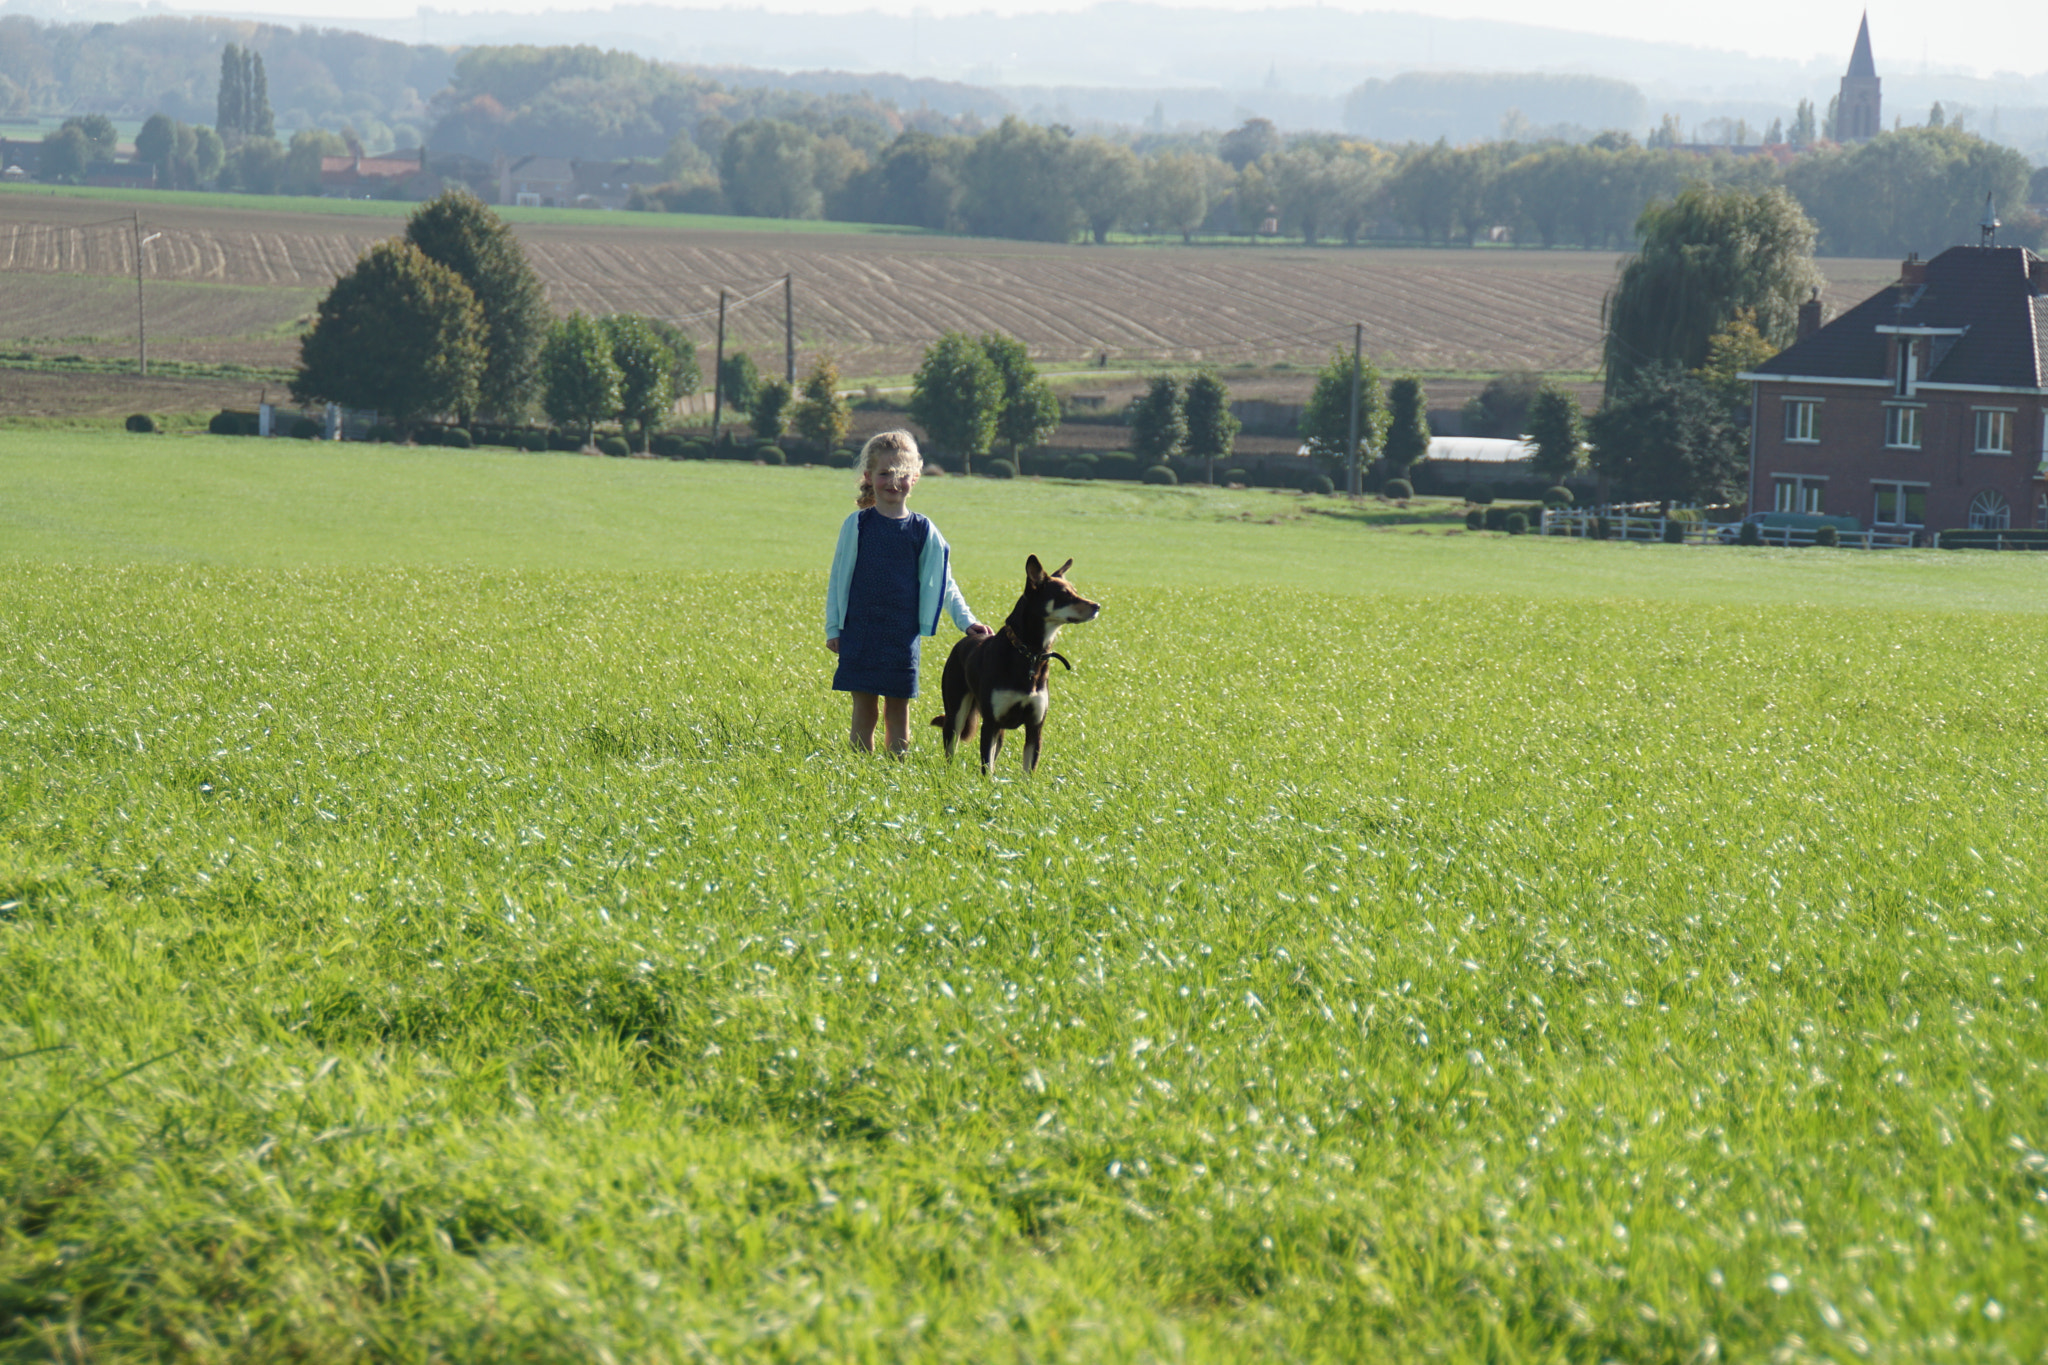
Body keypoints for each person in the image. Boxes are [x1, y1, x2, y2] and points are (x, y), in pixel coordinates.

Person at [825, 430, 991, 754]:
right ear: (869, 476)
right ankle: (859, 771)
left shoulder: (924, 530)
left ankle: (893, 774)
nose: (892, 482)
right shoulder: (856, 525)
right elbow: (838, 579)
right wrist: (834, 628)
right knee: (865, 711)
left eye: (901, 474)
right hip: (860, 632)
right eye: (884, 473)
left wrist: (966, 622)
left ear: (915, 478)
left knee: (897, 712)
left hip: (901, 637)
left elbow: (945, 582)